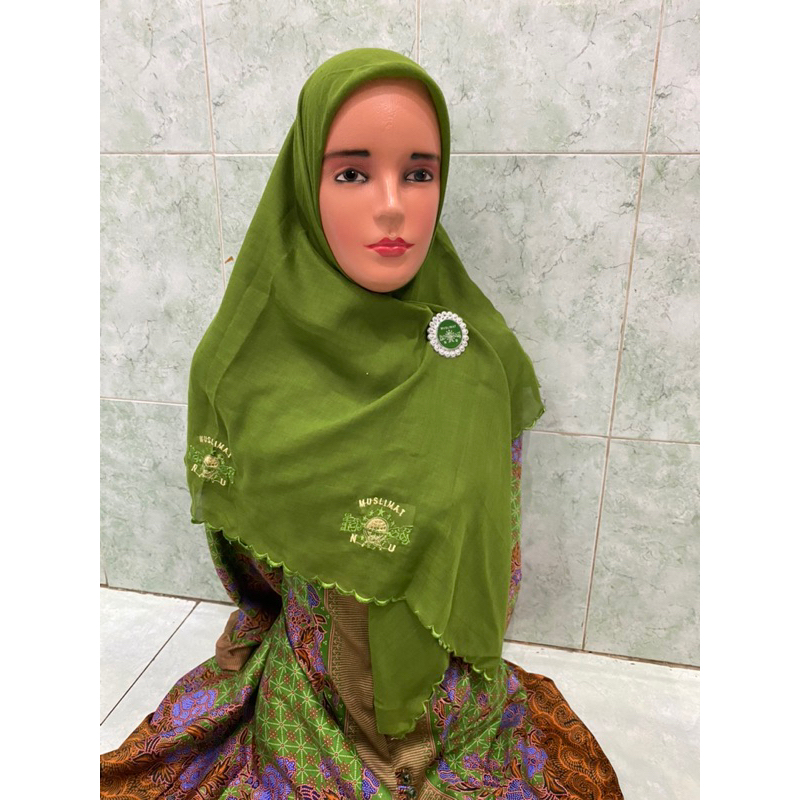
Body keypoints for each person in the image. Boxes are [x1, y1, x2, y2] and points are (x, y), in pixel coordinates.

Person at [100, 48, 624, 800]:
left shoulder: (478, 355)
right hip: (315, 686)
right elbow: (248, 558)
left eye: (419, 172)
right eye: (351, 173)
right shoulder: (239, 363)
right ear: (304, 181)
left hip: (450, 694)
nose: (392, 206)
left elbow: (493, 549)